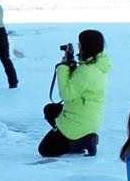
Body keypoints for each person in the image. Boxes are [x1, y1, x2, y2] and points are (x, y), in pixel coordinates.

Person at [40, 29, 109, 157]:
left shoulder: (86, 71)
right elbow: (79, 85)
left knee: (45, 150)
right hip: (90, 118)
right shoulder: (97, 65)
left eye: (80, 44)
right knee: (50, 110)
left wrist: (63, 67)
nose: (78, 46)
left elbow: (67, 94)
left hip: (79, 123)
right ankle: (83, 137)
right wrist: (72, 66)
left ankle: (77, 142)